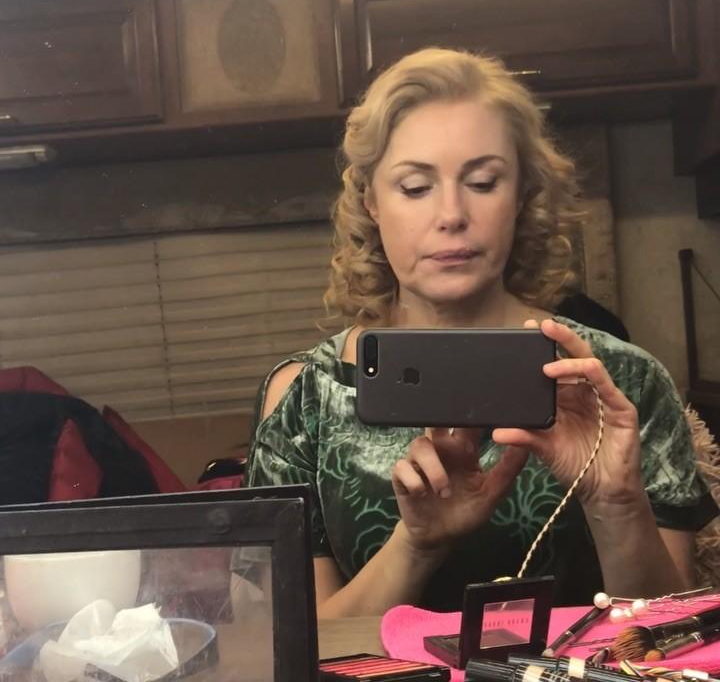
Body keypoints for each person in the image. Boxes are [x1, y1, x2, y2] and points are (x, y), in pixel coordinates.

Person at [245, 48, 717, 617]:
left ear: (521, 195)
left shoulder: (619, 382)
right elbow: (292, 645)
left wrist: (616, 505)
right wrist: (415, 546)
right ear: (371, 202)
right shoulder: (303, 399)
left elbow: (671, 640)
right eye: (415, 187)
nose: (452, 214)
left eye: (483, 181)